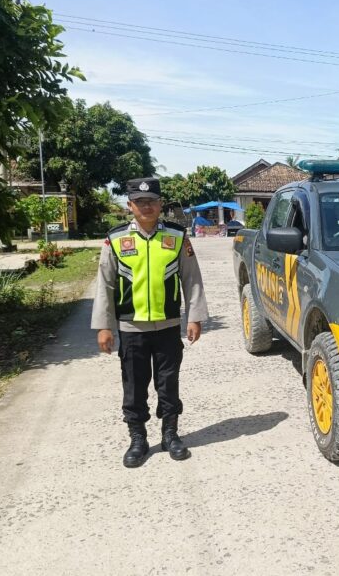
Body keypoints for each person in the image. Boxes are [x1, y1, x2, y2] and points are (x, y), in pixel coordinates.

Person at [91, 177, 209, 468]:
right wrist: (104, 326)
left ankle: (170, 434)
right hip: (131, 328)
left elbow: (191, 279)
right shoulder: (115, 239)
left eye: (152, 201)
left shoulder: (177, 236)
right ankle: (138, 439)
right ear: (130, 205)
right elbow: (105, 284)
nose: (146, 206)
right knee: (134, 385)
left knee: (168, 383)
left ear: (160, 204)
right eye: (140, 202)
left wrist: (194, 317)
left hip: (168, 326)